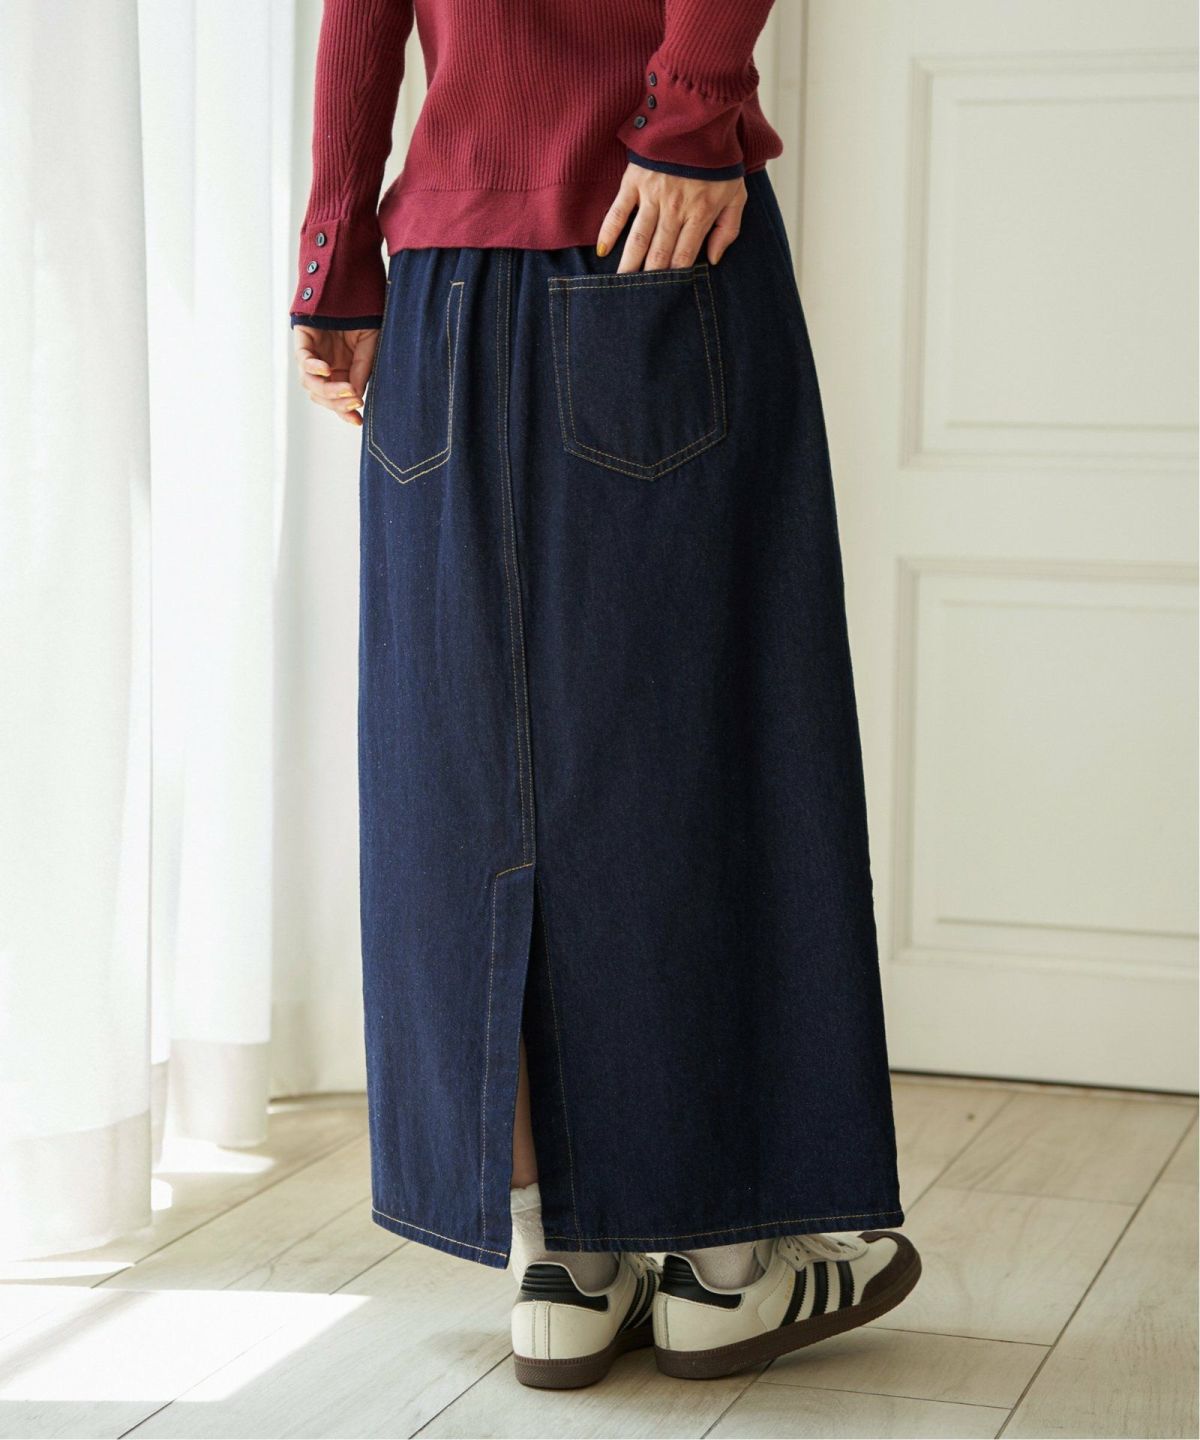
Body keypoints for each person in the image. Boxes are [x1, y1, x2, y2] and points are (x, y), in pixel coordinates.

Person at [291, 0, 921, 1391]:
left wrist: (336, 250)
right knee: (699, 738)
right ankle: (721, 1268)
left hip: (441, 275)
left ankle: (561, 1271)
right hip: (651, 220)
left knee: (461, 765)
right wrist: (692, 108)